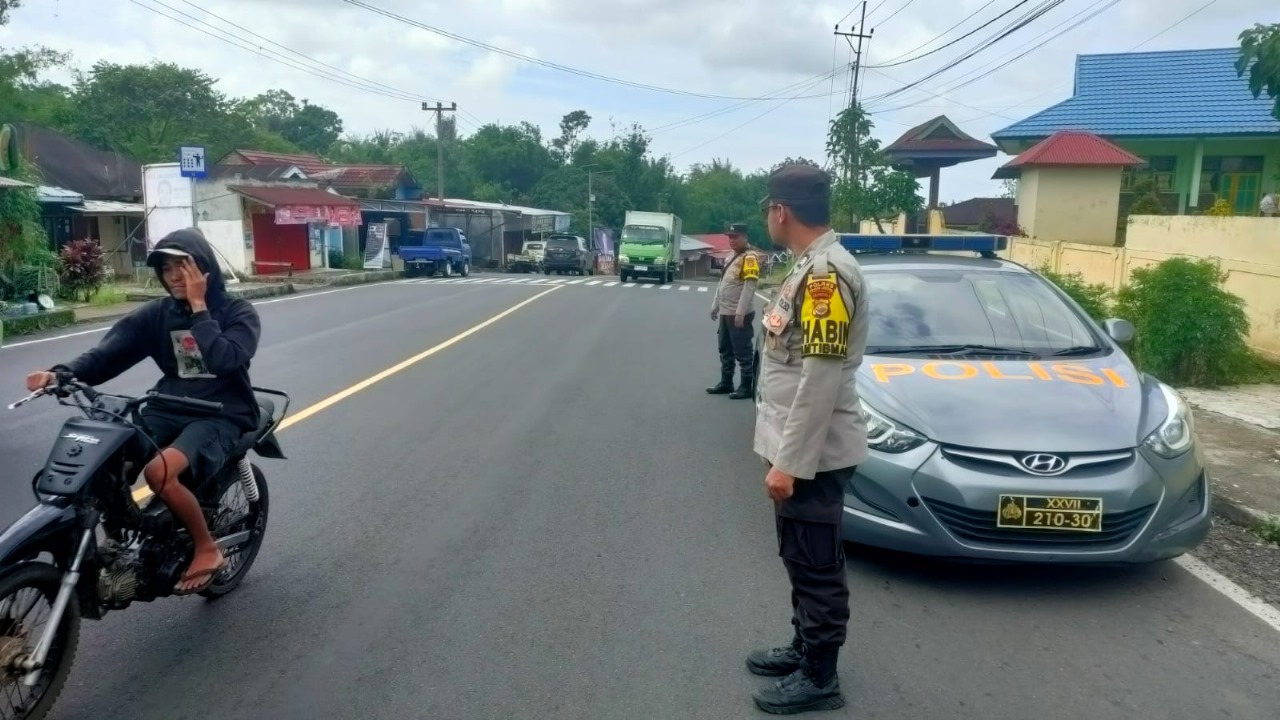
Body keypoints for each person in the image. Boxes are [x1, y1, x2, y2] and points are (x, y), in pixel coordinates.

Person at [25, 228, 262, 596]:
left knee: (159, 472)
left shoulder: (237, 312)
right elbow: (109, 354)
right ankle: (120, 538)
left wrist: (200, 309)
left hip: (222, 412)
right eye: (166, 268)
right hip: (168, 404)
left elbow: (225, 360)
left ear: (205, 268)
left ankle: (206, 547)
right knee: (104, 461)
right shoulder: (158, 314)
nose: (174, 276)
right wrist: (61, 374)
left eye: (183, 266)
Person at [746, 163, 869, 715]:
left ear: (781, 211)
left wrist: (790, 463)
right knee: (800, 555)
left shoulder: (825, 276)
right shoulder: (807, 266)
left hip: (813, 455)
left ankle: (821, 676)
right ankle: (804, 646)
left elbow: (820, 378)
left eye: (768, 209)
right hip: (800, 449)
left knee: (817, 564)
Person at [706, 222, 760, 399]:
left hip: (738, 313)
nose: (732, 240)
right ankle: (726, 382)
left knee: (743, 351)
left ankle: (746, 386)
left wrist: (740, 312)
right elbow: (722, 284)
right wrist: (715, 305)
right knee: (725, 349)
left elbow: (749, 286)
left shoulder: (749, 258)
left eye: (735, 237)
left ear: (744, 237)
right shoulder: (731, 257)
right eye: (729, 237)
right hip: (725, 312)